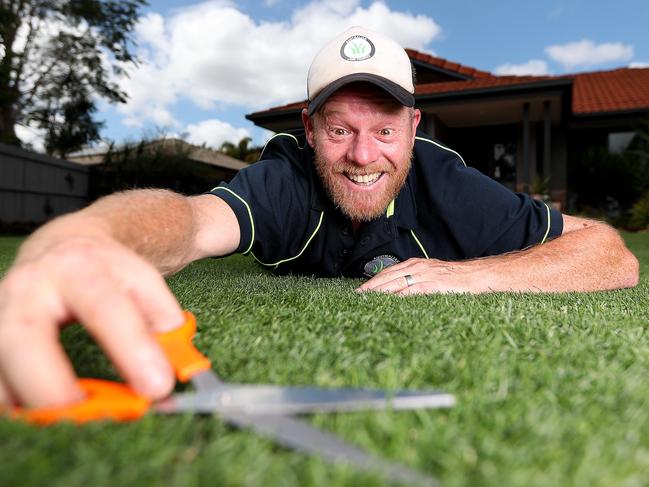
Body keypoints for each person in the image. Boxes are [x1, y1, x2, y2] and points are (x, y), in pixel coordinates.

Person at [0, 27, 638, 409]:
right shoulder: (286, 180)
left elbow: (611, 253)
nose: (364, 155)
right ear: (308, 129)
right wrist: (84, 237)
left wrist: (476, 275)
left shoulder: (450, 185)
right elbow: (190, 221)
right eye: (339, 129)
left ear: (414, 128)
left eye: (385, 129)